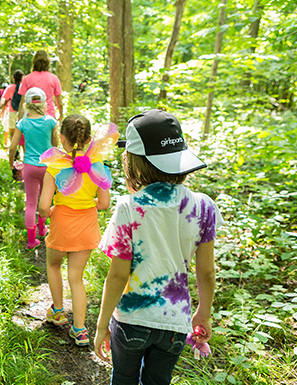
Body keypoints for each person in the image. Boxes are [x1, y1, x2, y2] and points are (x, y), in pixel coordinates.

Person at [93, 109, 224, 385]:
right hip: (175, 324)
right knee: (158, 380)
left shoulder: (129, 207)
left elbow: (118, 275)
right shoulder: (203, 206)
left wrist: (102, 325)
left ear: (135, 163)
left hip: (131, 320)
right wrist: (204, 313)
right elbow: (207, 272)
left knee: (124, 379)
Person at [38, 115, 118, 346]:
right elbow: (103, 203)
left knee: (53, 264)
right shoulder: (98, 165)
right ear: (89, 139)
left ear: (60, 138)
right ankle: (81, 330)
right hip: (86, 226)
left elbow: (43, 207)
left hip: (62, 224)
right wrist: (85, 204)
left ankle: (58, 312)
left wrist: (50, 211)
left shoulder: (54, 167)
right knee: (77, 278)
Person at [8, 87, 59, 249]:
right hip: (47, 167)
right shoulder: (51, 121)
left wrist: (11, 164)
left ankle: (31, 241)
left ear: (27, 105)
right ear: (44, 103)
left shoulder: (22, 123)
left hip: (29, 167)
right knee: (45, 200)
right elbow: (56, 144)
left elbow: (12, 147)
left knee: (31, 203)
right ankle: (43, 229)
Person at [17, 50, 63, 123]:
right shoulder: (54, 78)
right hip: (49, 116)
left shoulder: (27, 78)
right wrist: (61, 115)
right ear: (48, 62)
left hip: (32, 116)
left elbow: (23, 101)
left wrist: (19, 119)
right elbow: (59, 102)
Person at [0, 70, 24, 148]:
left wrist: (2, 113)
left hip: (12, 111)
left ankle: (14, 149)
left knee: (12, 132)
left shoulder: (9, 88)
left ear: (13, 78)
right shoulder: (24, 87)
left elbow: (5, 101)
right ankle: (23, 150)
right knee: (22, 132)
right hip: (22, 112)